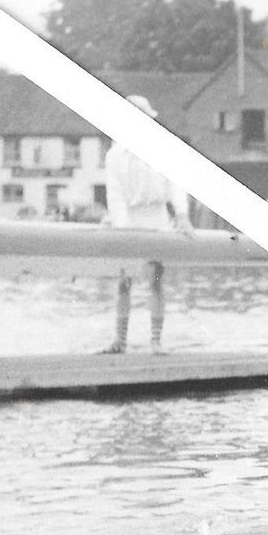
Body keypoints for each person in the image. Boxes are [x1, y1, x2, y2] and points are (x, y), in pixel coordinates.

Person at [100, 96, 193, 354]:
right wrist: (123, 229)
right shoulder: (115, 155)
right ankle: (120, 341)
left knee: (156, 279)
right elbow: (115, 195)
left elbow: (176, 184)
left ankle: (156, 340)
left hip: (157, 217)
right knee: (124, 281)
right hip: (129, 218)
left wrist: (182, 215)